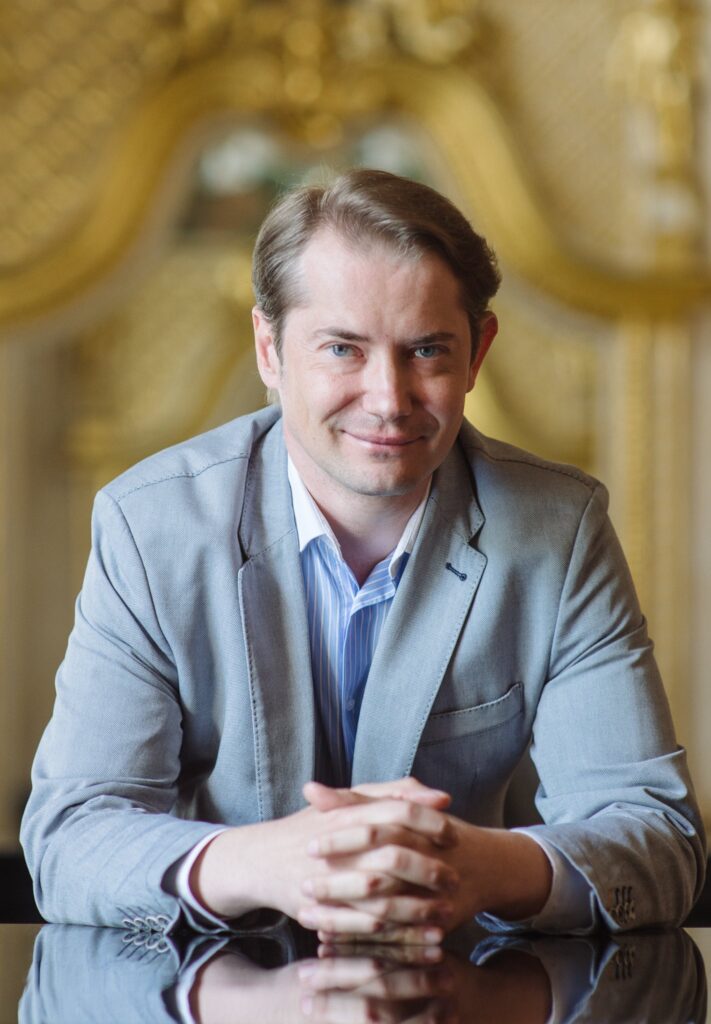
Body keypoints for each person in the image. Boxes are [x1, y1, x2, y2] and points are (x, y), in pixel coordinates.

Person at [21, 169, 705, 942]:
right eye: (343, 348)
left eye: (426, 351)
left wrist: (476, 867)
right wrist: (270, 864)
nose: (387, 399)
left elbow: (658, 841)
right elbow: (70, 837)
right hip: (218, 979)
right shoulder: (150, 525)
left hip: (459, 978)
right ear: (270, 350)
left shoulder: (560, 529)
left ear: (477, 353)